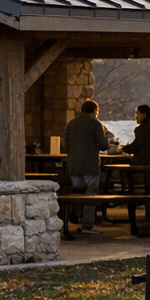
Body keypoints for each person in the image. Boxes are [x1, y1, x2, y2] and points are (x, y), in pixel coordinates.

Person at [63, 99, 108, 235]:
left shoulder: (71, 124)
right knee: (91, 194)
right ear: (95, 111)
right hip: (90, 165)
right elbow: (104, 145)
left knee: (76, 193)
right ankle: (88, 225)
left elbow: (66, 146)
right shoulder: (95, 123)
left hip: (73, 165)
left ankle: (73, 221)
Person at [121, 104, 150, 222]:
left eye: (137, 114)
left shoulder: (142, 129)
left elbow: (136, 145)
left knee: (129, 179)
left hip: (143, 162)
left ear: (144, 114)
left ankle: (132, 201)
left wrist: (124, 149)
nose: (136, 117)